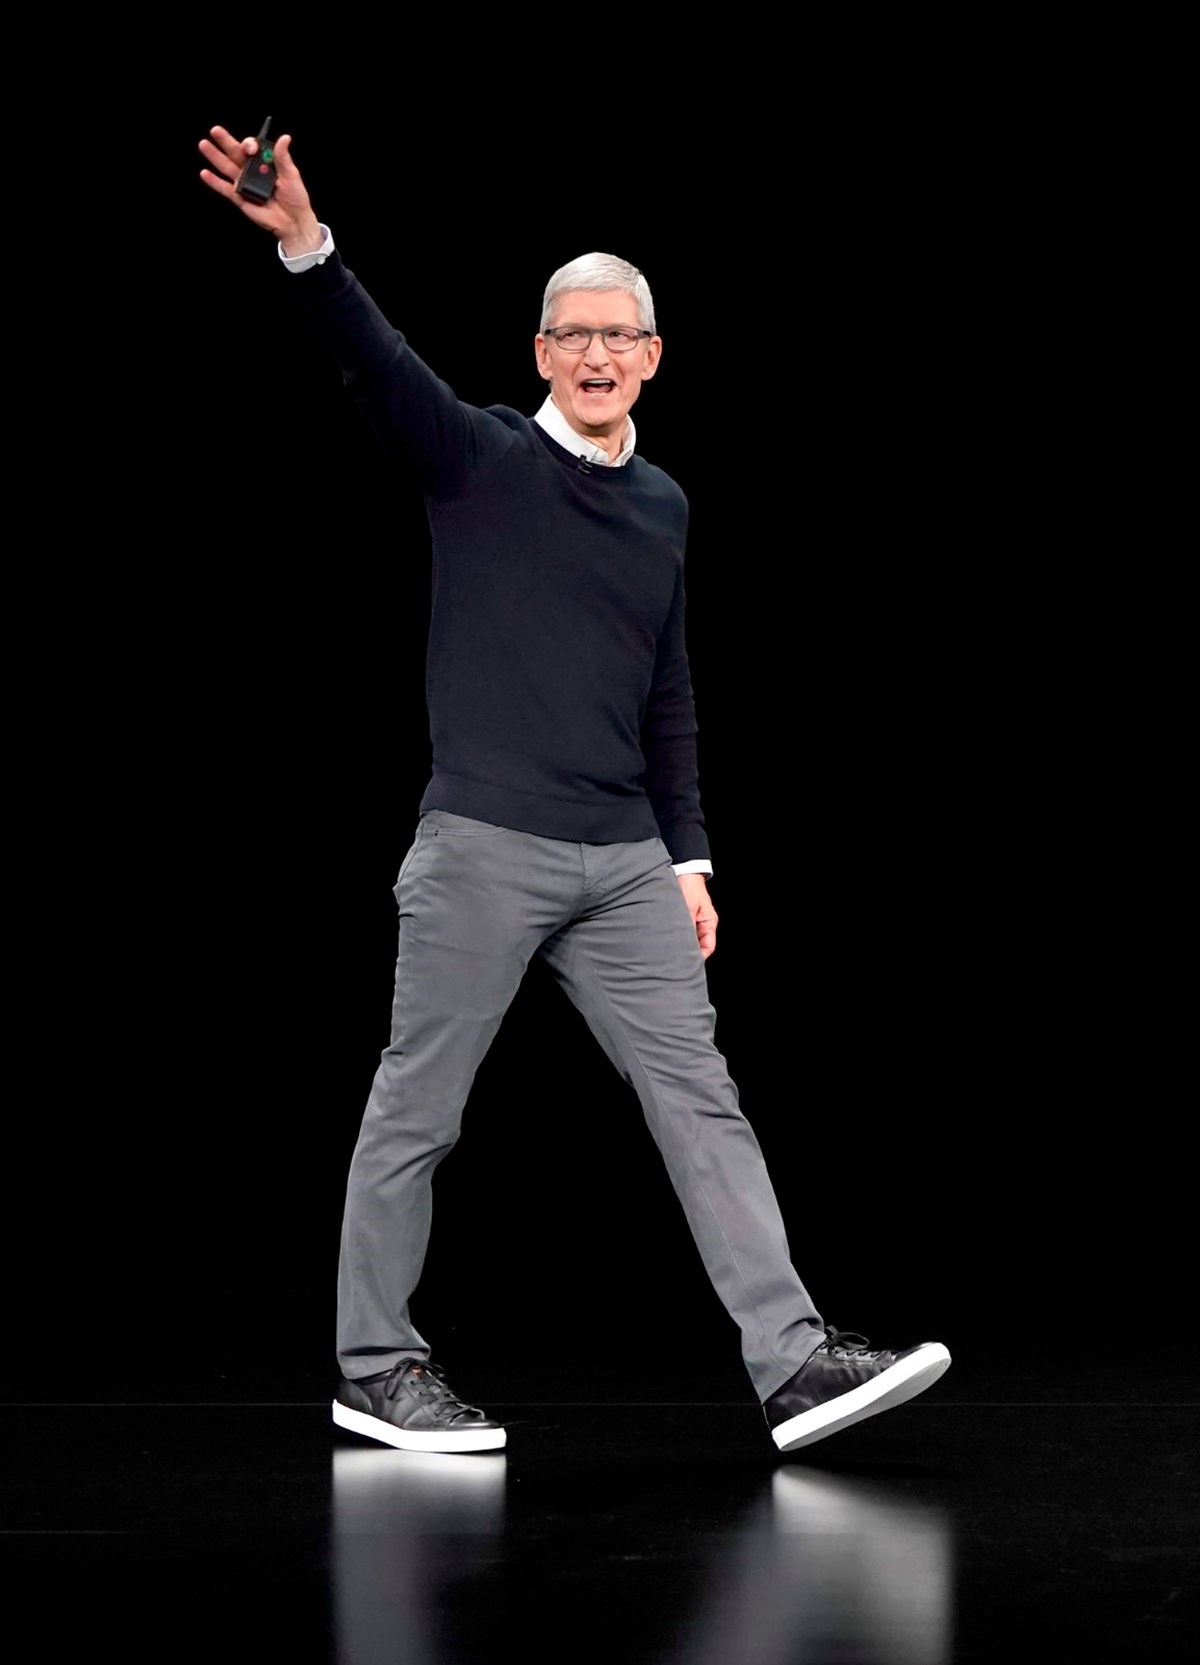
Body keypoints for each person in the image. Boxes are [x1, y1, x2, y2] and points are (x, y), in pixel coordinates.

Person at [198, 123, 951, 1456]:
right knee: (418, 1105)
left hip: (623, 861)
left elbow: (667, 690)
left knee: (702, 1099)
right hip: (482, 843)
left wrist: (690, 858)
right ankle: (375, 1367)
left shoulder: (664, 505)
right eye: (574, 335)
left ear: (653, 356)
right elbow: (377, 366)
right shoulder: (480, 459)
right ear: (542, 352)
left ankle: (792, 1363)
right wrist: (307, 245)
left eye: (620, 336)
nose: (598, 354)